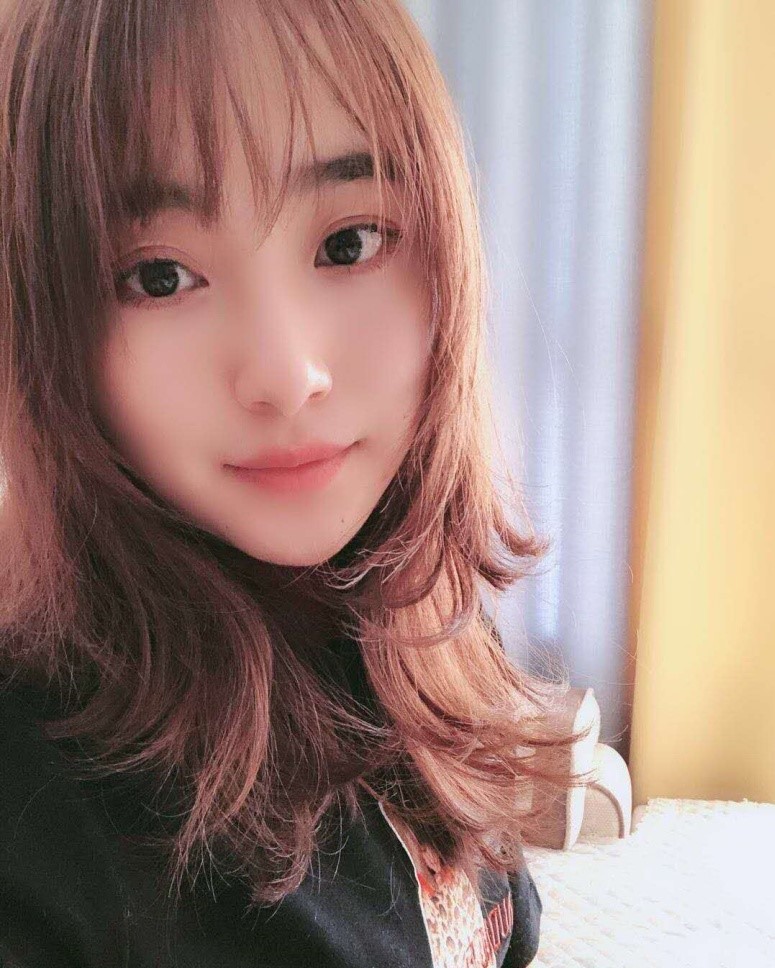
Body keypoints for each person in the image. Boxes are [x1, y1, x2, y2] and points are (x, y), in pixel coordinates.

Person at [0, 1, 594, 965]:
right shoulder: (37, 793)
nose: (288, 374)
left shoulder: (407, 601)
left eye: (349, 242)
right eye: (158, 276)